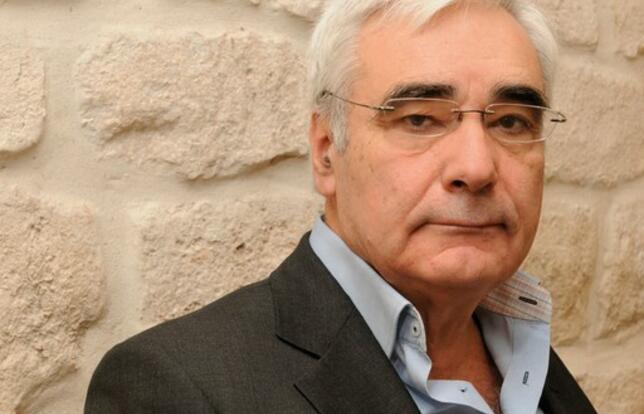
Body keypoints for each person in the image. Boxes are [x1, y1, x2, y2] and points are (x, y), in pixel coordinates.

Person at [85, 0, 597, 413]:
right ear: (326, 150)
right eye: (419, 119)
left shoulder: (524, 352)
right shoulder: (177, 389)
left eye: (510, 122)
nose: (477, 166)